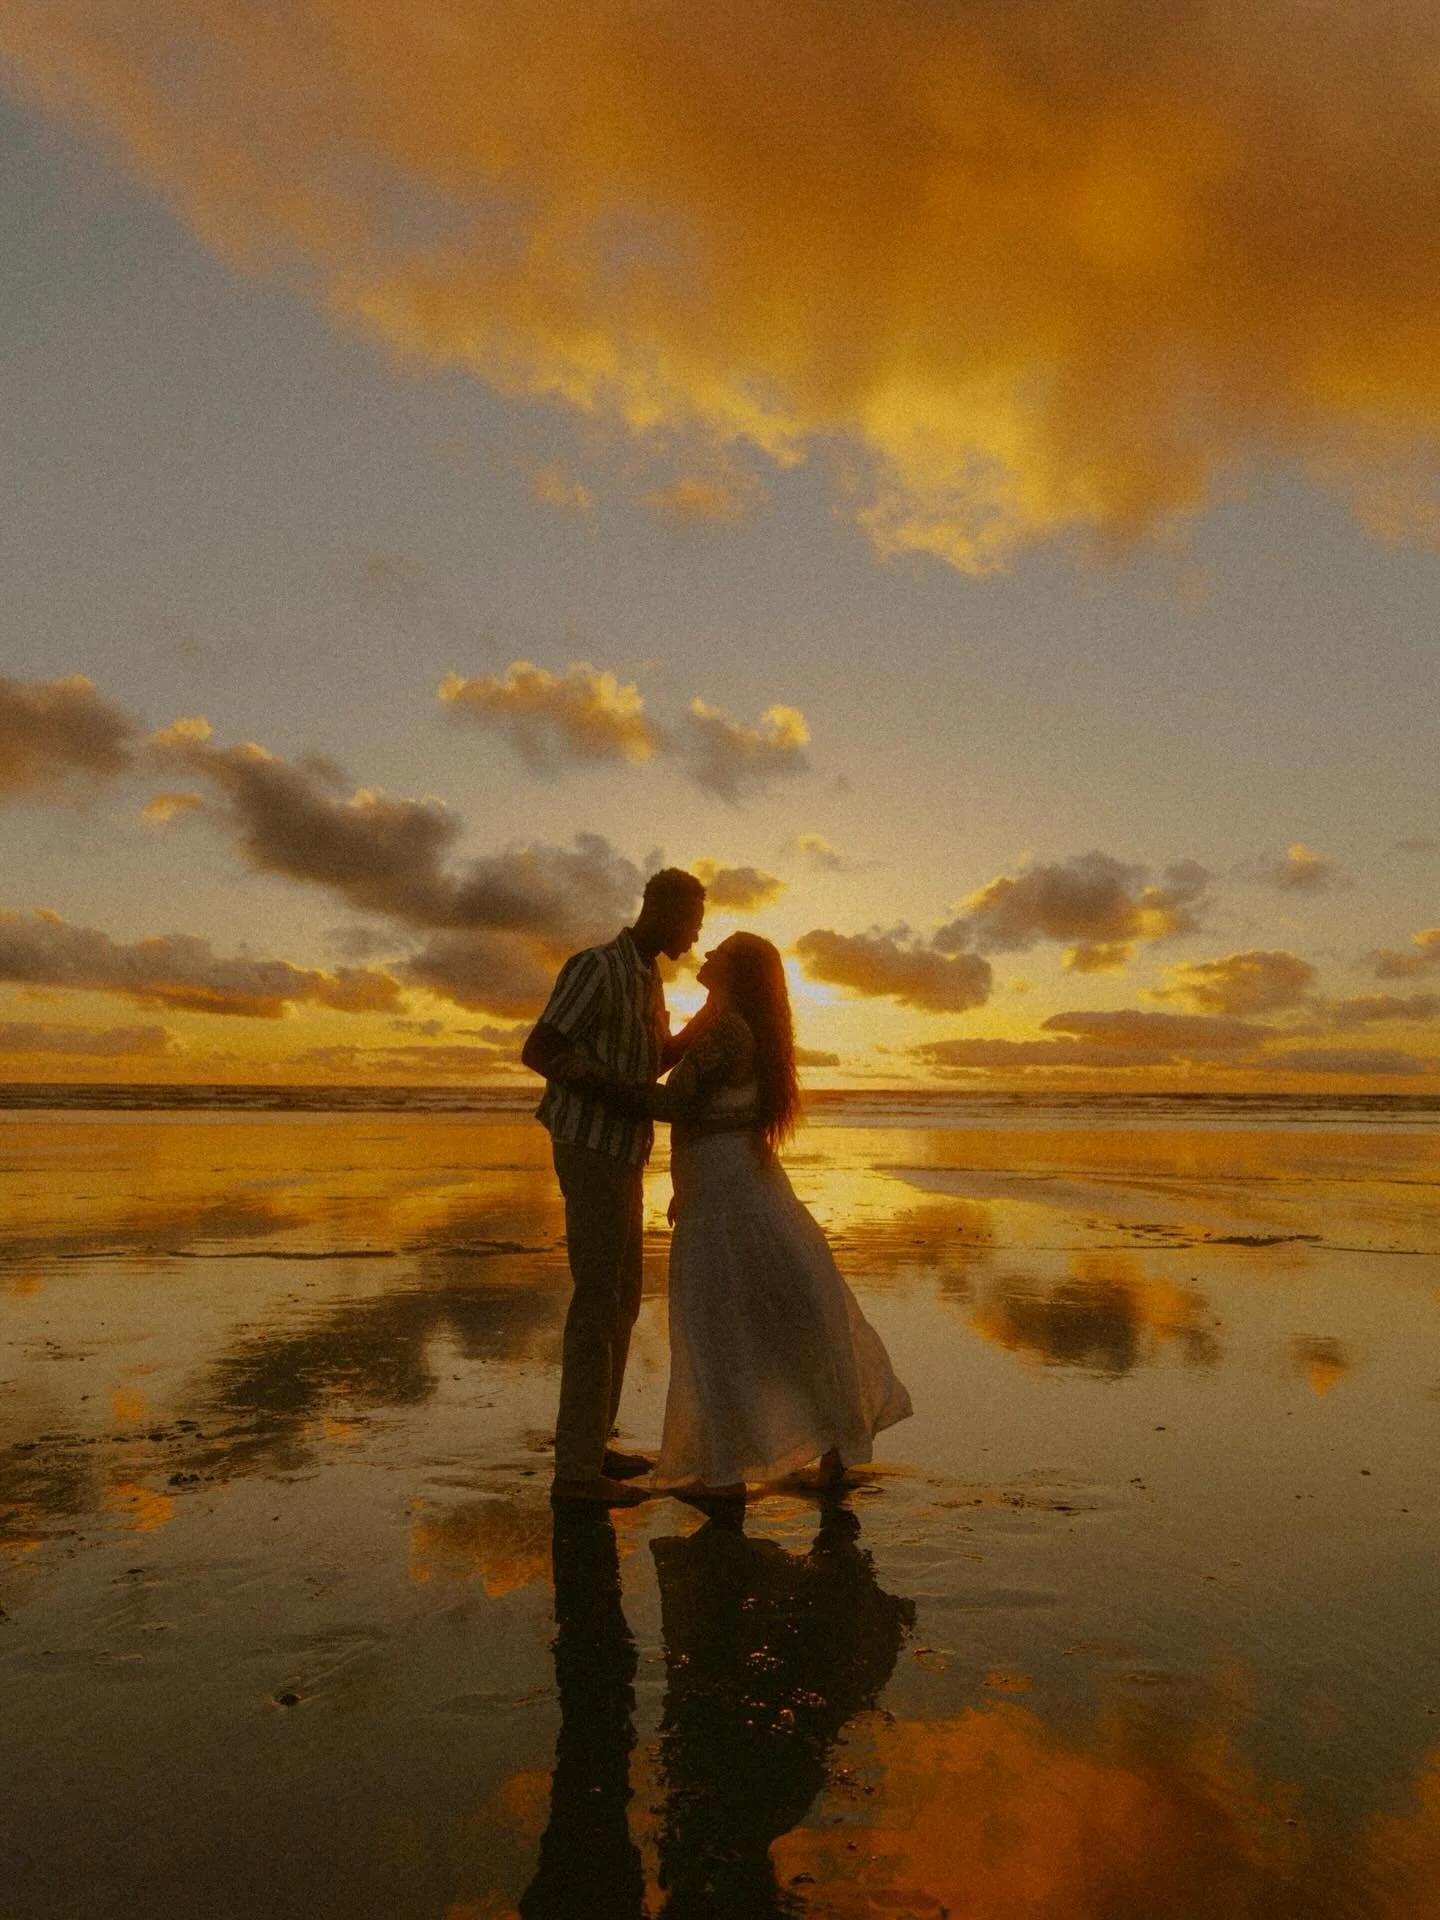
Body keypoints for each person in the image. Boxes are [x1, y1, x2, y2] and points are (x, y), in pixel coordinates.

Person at [588, 931, 912, 1496]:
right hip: (725, 1180)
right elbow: (697, 1109)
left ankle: (730, 1467)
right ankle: (777, 1453)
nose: (707, 954)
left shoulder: (730, 1031)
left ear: (738, 971)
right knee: (763, 1315)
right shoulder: (723, 1021)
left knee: (724, 1321)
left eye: (721, 952)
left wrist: (594, 1083)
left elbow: (678, 1104)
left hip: (727, 1189)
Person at [521, 868, 706, 1506]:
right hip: (588, 1144)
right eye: (692, 920)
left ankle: (593, 1446)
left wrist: (704, 1023)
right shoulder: (597, 966)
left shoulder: (649, 978)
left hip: (625, 1149)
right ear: (661, 908)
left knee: (624, 1299)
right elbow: (540, 1049)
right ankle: (574, 1475)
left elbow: (648, 1063)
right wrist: (617, 1094)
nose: (697, 934)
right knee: (597, 1301)